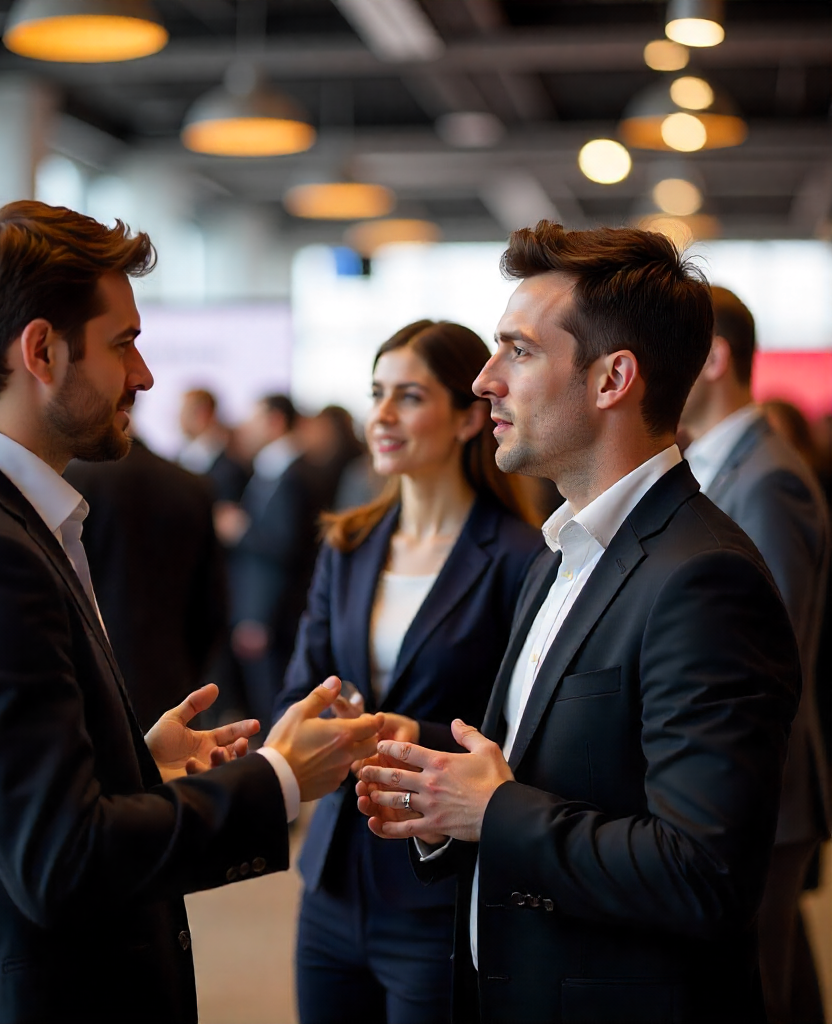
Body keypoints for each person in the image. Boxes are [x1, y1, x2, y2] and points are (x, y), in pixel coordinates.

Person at [0, 201, 384, 1024]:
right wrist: (279, 779)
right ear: (42, 351)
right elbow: (60, 862)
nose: (146, 375)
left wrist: (131, 763)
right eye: (124, 342)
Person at [357, 222, 801, 1024]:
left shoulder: (704, 576)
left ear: (611, 380)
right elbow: (553, 766)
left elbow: (704, 873)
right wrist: (430, 770)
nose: (486, 380)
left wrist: (490, 810)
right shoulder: (562, 549)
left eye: (518, 351)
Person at [275, 320, 543, 1024]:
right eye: (376, 393)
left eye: (410, 396)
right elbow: (297, 689)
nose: (383, 416)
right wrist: (324, 718)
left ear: (466, 418)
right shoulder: (349, 543)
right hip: (332, 877)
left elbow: (521, 729)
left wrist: (403, 734)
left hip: (439, 887)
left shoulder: (518, 557)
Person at [680, 287, 830, 1024]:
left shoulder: (767, 477)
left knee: (754, 992)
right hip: (741, 791)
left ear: (711, 358)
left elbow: (766, 660)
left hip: (757, 792)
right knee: (780, 984)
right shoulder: (717, 463)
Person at [64, 437, 227, 727]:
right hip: (172, 676)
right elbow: (212, 602)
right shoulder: (190, 485)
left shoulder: (71, 482)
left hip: (89, 679)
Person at [217, 394, 322, 732]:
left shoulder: (292, 473)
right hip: (271, 613)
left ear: (276, 420)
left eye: (256, 417)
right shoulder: (275, 467)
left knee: (274, 711)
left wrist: (240, 529)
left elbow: (284, 548)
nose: (248, 426)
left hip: (276, 616)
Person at [177, 387, 248, 503]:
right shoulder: (181, 456)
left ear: (202, 414)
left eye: (183, 411)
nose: (179, 418)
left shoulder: (229, 468)